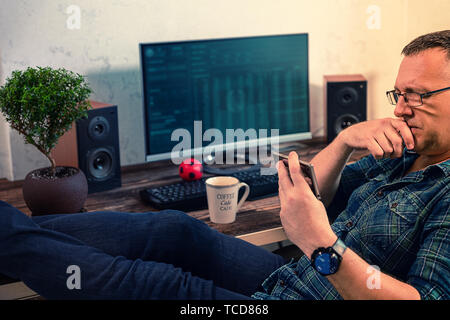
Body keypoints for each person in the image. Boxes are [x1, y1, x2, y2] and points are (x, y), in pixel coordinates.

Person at [0, 30, 449, 300]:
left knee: (158, 284)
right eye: (399, 94)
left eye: (419, 95)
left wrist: (319, 244)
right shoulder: (403, 153)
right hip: (299, 278)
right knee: (177, 229)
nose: (403, 108)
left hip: (312, 282)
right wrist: (345, 140)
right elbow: (317, 195)